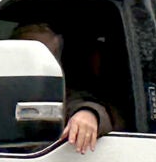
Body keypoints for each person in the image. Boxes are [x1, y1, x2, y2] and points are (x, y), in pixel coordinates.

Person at [11, 23, 114, 154]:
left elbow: (84, 104)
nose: (45, 64)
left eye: (52, 56)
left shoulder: (61, 94)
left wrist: (89, 114)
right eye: (34, 56)